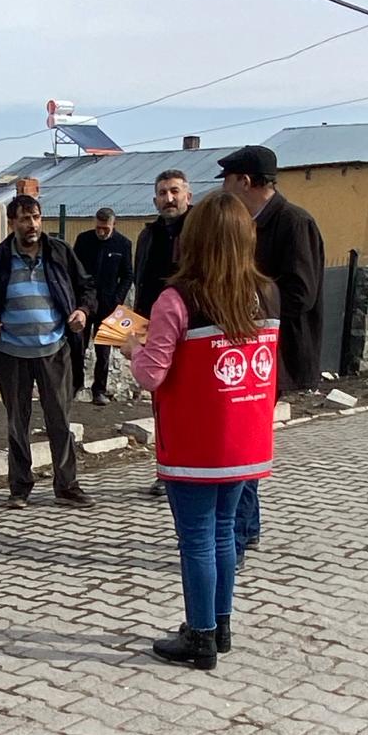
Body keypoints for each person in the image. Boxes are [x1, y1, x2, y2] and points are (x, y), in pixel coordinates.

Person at [126, 191, 279, 671]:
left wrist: (135, 346)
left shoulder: (179, 299)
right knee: (224, 533)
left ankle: (200, 637)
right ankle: (221, 622)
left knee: (196, 538)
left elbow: (152, 374)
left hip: (195, 442)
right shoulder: (266, 293)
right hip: (245, 437)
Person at [218, 144, 324, 561]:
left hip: (270, 355)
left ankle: (239, 537)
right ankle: (248, 527)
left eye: (227, 181)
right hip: (250, 353)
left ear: (245, 182)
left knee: (241, 444)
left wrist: (248, 304)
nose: (224, 191)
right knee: (245, 441)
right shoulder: (250, 222)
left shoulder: (294, 222)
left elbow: (302, 293)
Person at [0, 194, 95, 510]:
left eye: (35, 217)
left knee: (59, 419)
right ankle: (19, 487)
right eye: (24, 218)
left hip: (54, 349)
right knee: (17, 423)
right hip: (11, 352)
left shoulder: (60, 252)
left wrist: (83, 311)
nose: (31, 224)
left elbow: (87, 287)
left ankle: (67, 486)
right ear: (12, 223)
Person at [133, 170, 193, 496]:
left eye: (174, 192)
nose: (168, 199)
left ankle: (194, 468)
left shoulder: (200, 231)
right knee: (162, 407)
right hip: (154, 328)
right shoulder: (148, 235)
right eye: (162, 193)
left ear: (188, 196)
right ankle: (167, 470)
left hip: (193, 331)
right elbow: (140, 281)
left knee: (192, 407)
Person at [73, 207, 133, 405]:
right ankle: (75, 386)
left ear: (113, 226)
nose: (101, 232)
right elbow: (74, 269)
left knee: (103, 352)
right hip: (84, 303)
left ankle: (99, 390)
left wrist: (118, 299)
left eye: (105, 229)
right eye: (98, 228)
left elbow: (127, 275)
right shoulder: (83, 240)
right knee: (78, 347)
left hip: (108, 306)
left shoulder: (123, 244)